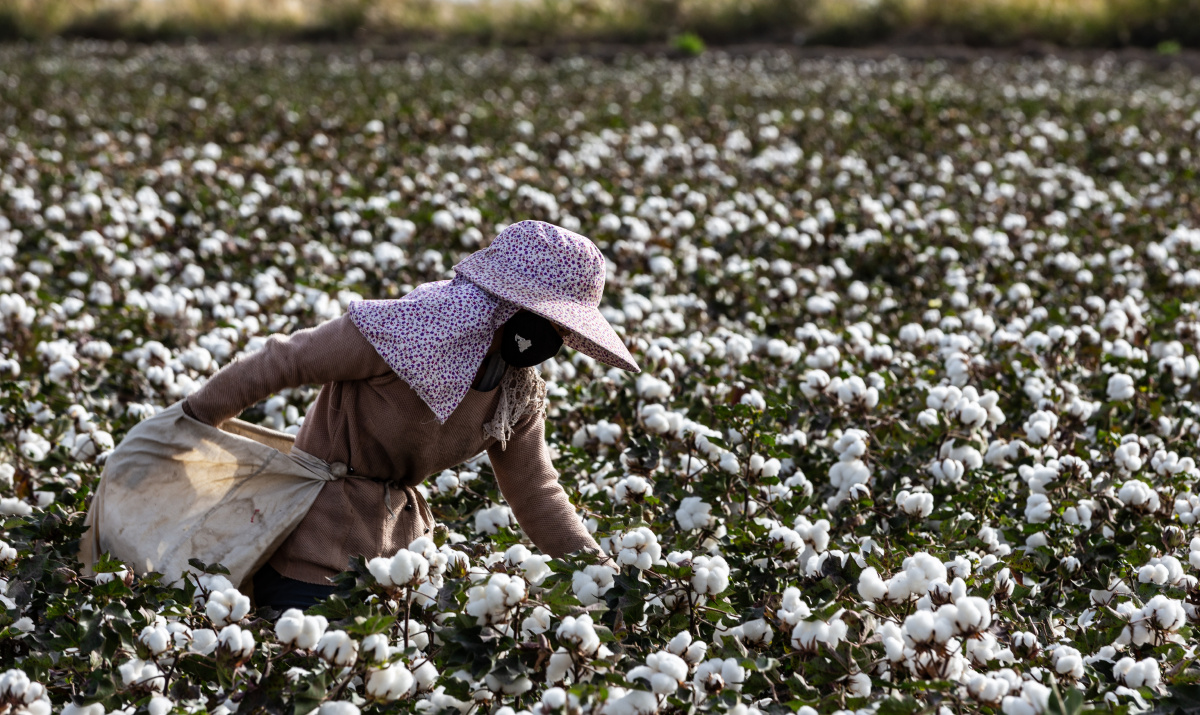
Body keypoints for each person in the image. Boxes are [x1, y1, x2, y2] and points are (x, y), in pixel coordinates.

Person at [179, 220, 639, 610]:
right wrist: (187, 426)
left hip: (400, 568)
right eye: (553, 320)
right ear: (515, 306)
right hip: (311, 549)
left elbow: (535, 492)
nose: (556, 336)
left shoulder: (514, 392)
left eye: (565, 327)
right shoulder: (399, 333)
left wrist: (603, 579)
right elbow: (282, 361)